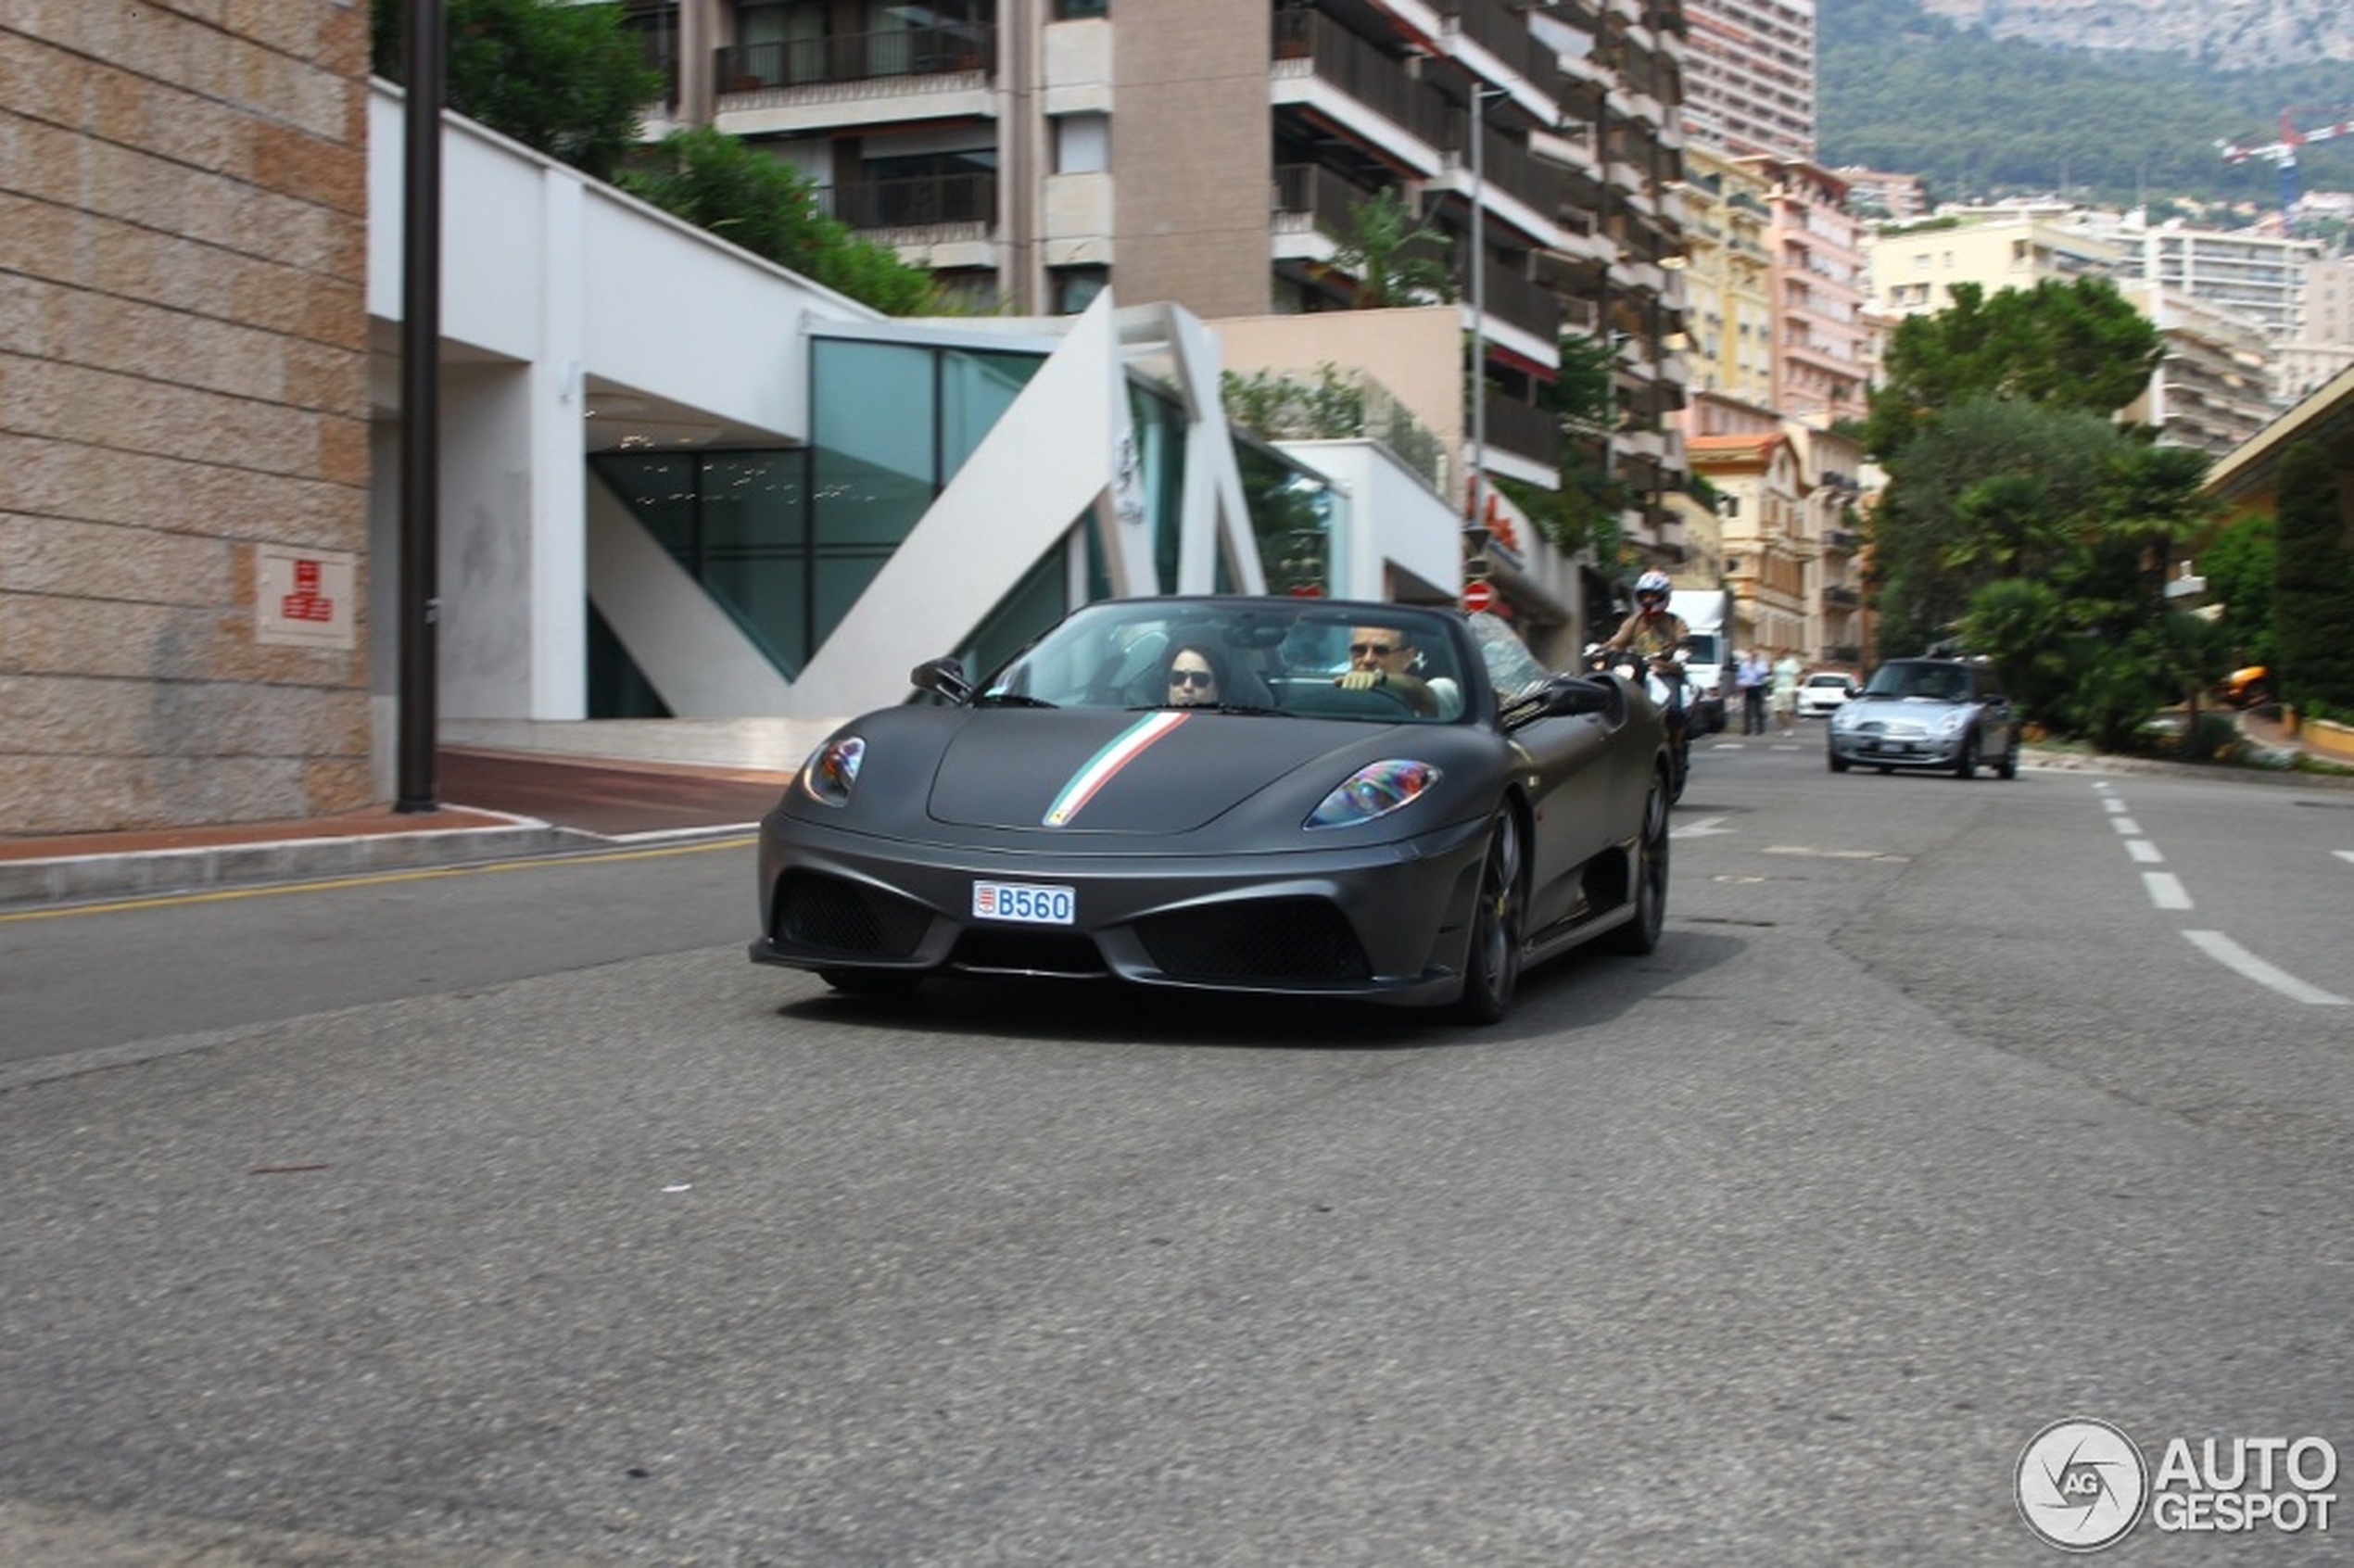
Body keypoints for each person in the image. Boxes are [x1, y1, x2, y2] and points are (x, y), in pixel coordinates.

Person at [1335, 624, 1458, 718]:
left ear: (1407, 657)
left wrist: (1379, 680)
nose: (1368, 659)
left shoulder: (1443, 688)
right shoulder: (1333, 676)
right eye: (1359, 650)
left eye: (1381, 651)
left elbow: (1421, 692)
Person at [1603, 570, 1688, 662]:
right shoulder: (1634, 621)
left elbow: (1684, 639)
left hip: (1666, 668)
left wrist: (1682, 649)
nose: (1647, 600)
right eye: (1644, 596)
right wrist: (1601, 648)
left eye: (1653, 596)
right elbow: (1618, 641)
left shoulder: (1675, 621)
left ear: (1665, 596)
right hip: (1637, 667)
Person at [1163, 641, 1229, 708]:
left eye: (1199, 679)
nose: (1187, 687)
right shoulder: (1154, 715)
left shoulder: (1233, 717)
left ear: (1217, 690)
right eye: (1178, 677)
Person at [1735, 647, 1770, 735]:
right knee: (1747, 709)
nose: (1753, 657)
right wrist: (1741, 684)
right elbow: (1740, 676)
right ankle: (1747, 728)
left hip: (1758, 686)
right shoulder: (1744, 665)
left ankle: (1760, 729)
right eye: (1752, 655)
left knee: (1758, 709)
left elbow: (1763, 673)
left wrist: (1753, 666)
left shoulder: (1761, 664)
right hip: (1748, 687)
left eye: (1755, 655)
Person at [1771, 646, 1803, 736]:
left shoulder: (1791, 662)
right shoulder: (1776, 663)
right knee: (1777, 710)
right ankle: (1783, 727)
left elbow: (1798, 675)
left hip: (1789, 688)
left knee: (1788, 711)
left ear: (1784, 654)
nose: (1777, 654)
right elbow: (1774, 675)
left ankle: (1788, 729)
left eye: (1779, 653)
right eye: (1776, 653)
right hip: (1777, 689)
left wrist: (1796, 687)